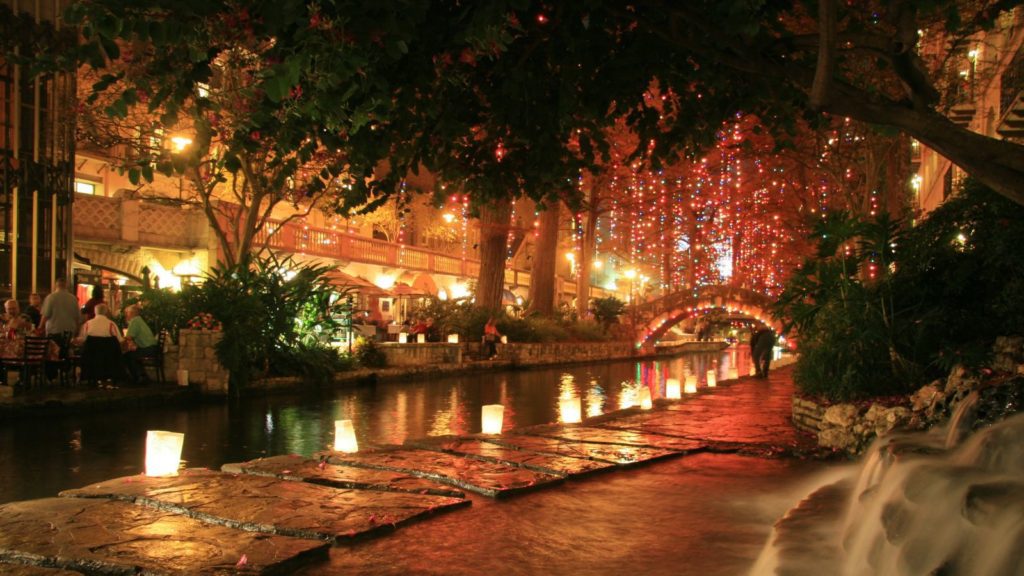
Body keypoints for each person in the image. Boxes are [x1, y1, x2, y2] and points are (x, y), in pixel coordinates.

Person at [123, 304, 159, 386]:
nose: (126, 315)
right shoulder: (139, 320)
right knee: (131, 354)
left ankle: (137, 379)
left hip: (148, 349)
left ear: (131, 313)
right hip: (152, 348)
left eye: (127, 313)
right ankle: (141, 376)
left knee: (127, 356)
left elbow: (128, 337)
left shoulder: (134, 321)